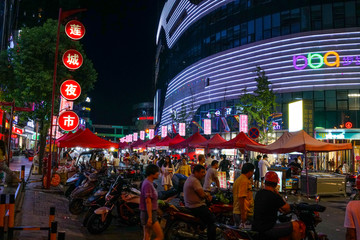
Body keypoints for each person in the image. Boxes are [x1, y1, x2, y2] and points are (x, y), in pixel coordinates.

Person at [252, 171, 302, 240]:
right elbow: (287, 209)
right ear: (275, 184)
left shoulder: (259, 193)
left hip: (256, 226)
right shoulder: (274, 196)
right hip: (268, 228)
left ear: (265, 182)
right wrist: (278, 194)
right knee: (295, 226)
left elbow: (275, 207)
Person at [183, 164, 216, 240]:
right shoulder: (194, 181)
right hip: (196, 206)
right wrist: (208, 196)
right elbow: (201, 194)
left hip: (190, 204)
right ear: (196, 172)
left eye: (204, 172)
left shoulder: (191, 179)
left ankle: (201, 228)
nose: (203, 174)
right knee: (212, 220)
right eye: (202, 172)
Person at [140, 164, 163, 240]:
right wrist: (150, 218)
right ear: (152, 173)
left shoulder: (148, 182)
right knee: (160, 236)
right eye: (157, 172)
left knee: (147, 236)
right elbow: (148, 202)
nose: (158, 173)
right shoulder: (148, 184)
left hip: (147, 213)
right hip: (149, 214)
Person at [233, 163, 255, 228]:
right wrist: (243, 215)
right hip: (243, 213)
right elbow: (241, 198)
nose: (253, 174)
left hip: (237, 211)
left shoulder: (239, 179)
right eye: (253, 172)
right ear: (250, 171)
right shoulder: (244, 181)